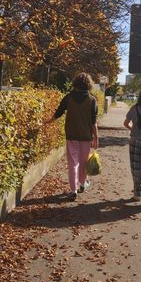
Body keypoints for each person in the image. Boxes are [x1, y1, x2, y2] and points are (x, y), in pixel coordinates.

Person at [48, 73, 99, 201]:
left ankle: (73, 189)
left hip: (71, 135)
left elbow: (58, 113)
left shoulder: (68, 98)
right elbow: (93, 122)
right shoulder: (92, 100)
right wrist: (96, 138)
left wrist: (48, 122)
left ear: (75, 83)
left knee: (73, 163)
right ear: (89, 84)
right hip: (86, 136)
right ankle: (82, 184)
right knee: (83, 162)